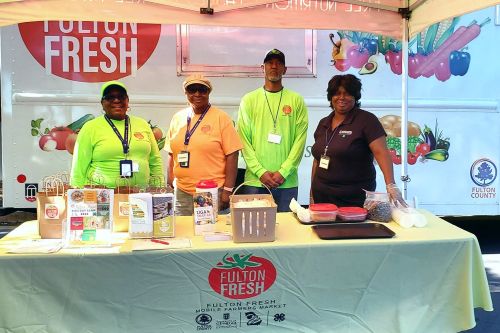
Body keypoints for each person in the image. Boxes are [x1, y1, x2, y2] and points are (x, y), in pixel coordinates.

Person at [310, 74, 406, 207]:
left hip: (354, 199)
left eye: (347, 94)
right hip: (322, 196)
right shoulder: (323, 123)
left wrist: (391, 185)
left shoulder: (367, 120)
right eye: (337, 93)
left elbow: (381, 153)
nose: (342, 98)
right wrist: (311, 194)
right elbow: (317, 160)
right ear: (331, 97)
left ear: (355, 97)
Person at [237, 48, 308, 212]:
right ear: (263, 68)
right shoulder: (249, 100)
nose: (274, 66)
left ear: (285, 69)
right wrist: (260, 172)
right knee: (254, 231)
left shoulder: (296, 100)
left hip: (287, 182)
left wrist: (283, 172)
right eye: (270, 63)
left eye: (279, 63)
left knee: (287, 231)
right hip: (255, 182)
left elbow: (299, 141)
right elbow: (243, 141)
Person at [165, 74, 242, 216]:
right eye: (192, 90)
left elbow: (232, 154)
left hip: (211, 192)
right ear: (185, 93)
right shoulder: (177, 118)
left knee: (208, 233)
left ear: (209, 92)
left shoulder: (221, 118)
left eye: (202, 90)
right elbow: (171, 153)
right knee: (184, 232)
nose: (197, 94)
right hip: (182, 192)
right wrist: (169, 184)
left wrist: (228, 190)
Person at [70, 81, 164, 188]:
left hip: (140, 195)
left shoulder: (142, 124)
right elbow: (79, 165)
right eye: (110, 97)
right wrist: (76, 194)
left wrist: (158, 188)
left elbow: (155, 160)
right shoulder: (90, 127)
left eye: (121, 97)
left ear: (127, 101)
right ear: (102, 103)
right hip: (103, 196)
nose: (116, 100)